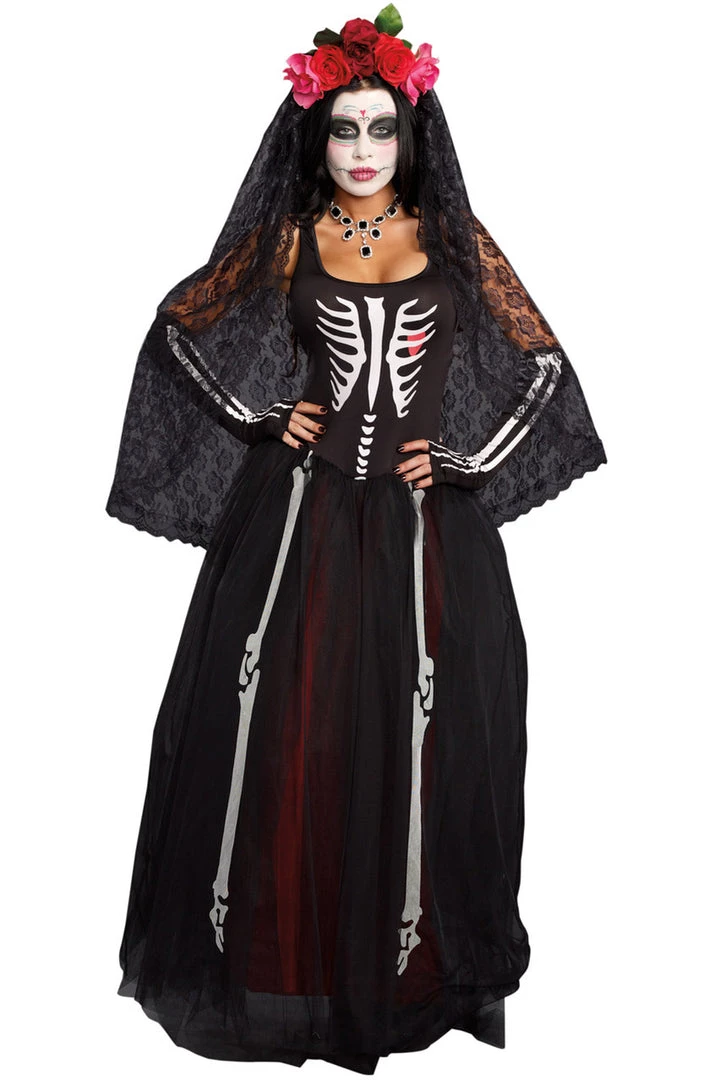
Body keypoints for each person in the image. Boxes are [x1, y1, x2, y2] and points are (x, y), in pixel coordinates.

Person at [106, 7, 607, 1074]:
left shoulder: (453, 242)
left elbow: (542, 366)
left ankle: (403, 975)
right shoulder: (288, 238)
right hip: (300, 520)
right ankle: (285, 972)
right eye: (344, 129)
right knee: (288, 726)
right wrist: (260, 413)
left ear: (410, 135)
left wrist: (466, 459)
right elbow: (179, 329)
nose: (364, 150)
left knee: (422, 729)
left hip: (428, 536)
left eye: (382, 128)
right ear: (317, 135)